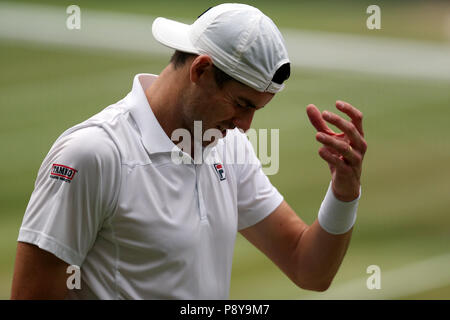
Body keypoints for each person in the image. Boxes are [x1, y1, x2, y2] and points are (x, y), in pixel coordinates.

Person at [11, 3, 367, 299]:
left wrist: (344, 194)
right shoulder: (92, 154)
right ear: (201, 70)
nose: (245, 125)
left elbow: (308, 268)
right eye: (241, 104)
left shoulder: (231, 148)